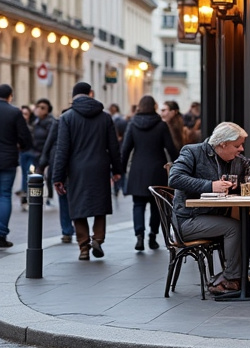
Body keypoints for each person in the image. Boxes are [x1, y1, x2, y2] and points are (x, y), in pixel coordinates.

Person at [168, 122, 250, 294]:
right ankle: (231, 279)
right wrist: (210, 186)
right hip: (188, 220)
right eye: (237, 145)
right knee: (234, 228)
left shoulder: (237, 162)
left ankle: (242, 278)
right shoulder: (192, 152)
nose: (241, 149)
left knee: (249, 225)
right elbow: (174, 178)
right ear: (223, 144)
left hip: (214, 218)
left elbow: (248, 179)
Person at [51, 83, 123, 261]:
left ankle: (84, 247)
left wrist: (57, 176)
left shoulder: (67, 117)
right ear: (91, 93)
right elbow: (113, 146)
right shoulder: (105, 118)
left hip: (76, 168)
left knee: (77, 207)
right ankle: (98, 238)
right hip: (100, 166)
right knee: (100, 205)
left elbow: (62, 150)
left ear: (73, 96)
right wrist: (117, 169)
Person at [120, 96, 179, 251]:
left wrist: (119, 170)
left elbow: (125, 149)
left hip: (138, 170)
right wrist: (179, 164)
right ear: (154, 106)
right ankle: (153, 236)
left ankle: (139, 236)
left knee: (138, 205)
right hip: (156, 169)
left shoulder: (132, 124)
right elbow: (170, 148)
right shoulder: (161, 125)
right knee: (156, 205)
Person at [0, 85, 33, 248]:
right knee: (5, 195)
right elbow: (25, 137)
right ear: (10, 96)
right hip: (8, 159)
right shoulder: (14, 112)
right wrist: (20, 145)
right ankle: (1, 234)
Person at [37, 107, 75, 243]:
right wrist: (42, 164)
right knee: (67, 197)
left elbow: (48, 145)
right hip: (69, 166)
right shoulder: (71, 122)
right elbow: (48, 144)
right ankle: (69, 229)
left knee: (64, 198)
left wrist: (42, 164)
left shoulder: (59, 121)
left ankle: (67, 230)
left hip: (60, 165)